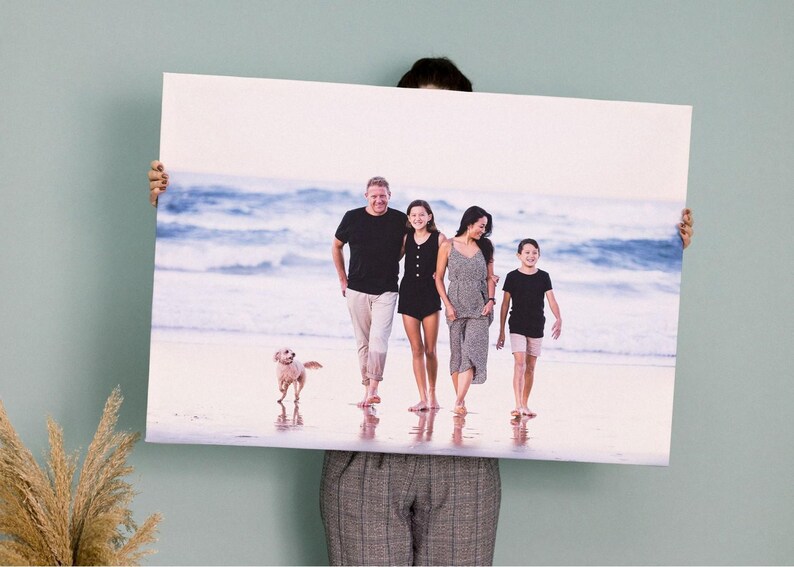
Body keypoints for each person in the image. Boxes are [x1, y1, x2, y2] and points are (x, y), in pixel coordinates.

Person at [146, 56, 693, 566]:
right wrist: (172, 192)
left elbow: (508, 250)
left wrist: (669, 234)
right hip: (363, 462)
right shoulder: (381, 203)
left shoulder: (472, 199)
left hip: (465, 467)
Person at [332, 176, 407, 407]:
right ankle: (367, 389)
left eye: (382, 196)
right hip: (356, 289)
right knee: (363, 341)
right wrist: (343, 279)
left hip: (387, 290)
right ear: (366, 196)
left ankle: (374, 387)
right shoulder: (352, 217)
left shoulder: (399, 219)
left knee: (378, 338)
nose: (378, 200)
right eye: (374, 196)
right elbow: (336, 245)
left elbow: (406, 247)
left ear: (389, 196)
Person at [435, 206, 496, 416]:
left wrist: (491, 300)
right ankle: (460, 403)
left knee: (472, 352)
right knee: (458, 356)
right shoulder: (447, 245)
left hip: (480, 306)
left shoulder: (486, 247)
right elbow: (439, 278)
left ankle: (459, 401)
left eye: (485, 227)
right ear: (469, 223)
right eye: (481, 226)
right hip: (455, 305)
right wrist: (448, 305)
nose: (483, 230)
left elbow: (490, 277)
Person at [496, 238, 562, 418]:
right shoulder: (512, 277)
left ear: (539, 255)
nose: (531, 255)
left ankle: (525, 404)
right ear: (519, 255)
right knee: (520, 363)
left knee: (531, 367)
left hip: (536, 325)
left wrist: (558, 318)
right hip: (516, 324)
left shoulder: (544, 276)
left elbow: (551, 299)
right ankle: (517, 405)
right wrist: (501, 331)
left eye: (534, 252)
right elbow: (504, 305)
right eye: (527, 252)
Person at [397, 200, 447, 412]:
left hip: (430, 297)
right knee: (416, 348)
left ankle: (433, 394)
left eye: (421, 214)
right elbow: (390, 260)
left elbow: (450, 263)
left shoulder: (440, 238)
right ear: (409, 218)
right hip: (408, 295)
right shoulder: (406, 238)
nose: (417, 218)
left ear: (429, 216)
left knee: (430, 349)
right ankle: (422, 397)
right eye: (413, 215)